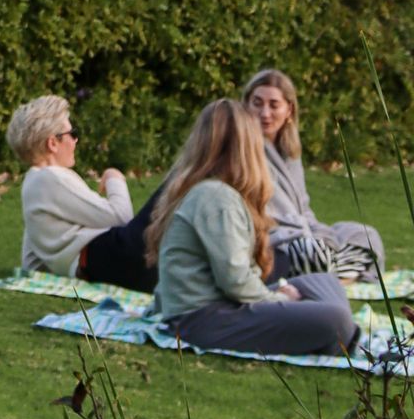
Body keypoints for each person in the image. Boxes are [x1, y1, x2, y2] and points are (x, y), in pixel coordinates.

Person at [148, 98, 358, 356]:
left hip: (220, 307)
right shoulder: (215, 196)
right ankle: (341, 333)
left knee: (323, 280)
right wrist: (280, 299)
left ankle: (336, 329)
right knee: (335, 319)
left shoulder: (212, 190)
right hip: (202, 319)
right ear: (248, 147)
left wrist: (276, 295)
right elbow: (235, 281)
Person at [242, 68, 386, 284]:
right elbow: (259, 212)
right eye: (257, 103)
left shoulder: (290, 154)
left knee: (366, 235)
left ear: (289, 110)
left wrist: (319, 233)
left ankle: (328, 276)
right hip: (271, 240)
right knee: (313, 253)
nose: (265, 113)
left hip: (304, 233)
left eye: (273, 105)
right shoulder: (241, 150)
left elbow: (303, 207)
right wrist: (307, 236)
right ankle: (338, 276)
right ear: (246, 106)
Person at [9, 96, 133, 275]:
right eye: (72, 134)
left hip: (95, 260)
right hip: (102, 256)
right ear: (53, 143)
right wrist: (115, 178)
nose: (75, 141)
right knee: (167, 196)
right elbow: (122, 217)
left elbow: (32, 261)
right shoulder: (52, 178)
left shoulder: (32, 181)